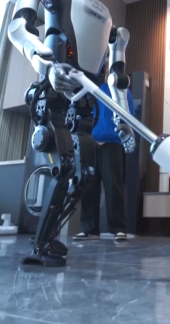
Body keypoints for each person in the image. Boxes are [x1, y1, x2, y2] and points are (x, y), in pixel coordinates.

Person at [74, 72, 133, 243]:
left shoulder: (122, 89)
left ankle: (118, 228)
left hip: (112, 141)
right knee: (89, 185)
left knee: (113, 186)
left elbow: (128, 114)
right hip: (91, 141)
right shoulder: (92, 88)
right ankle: (89, 229)